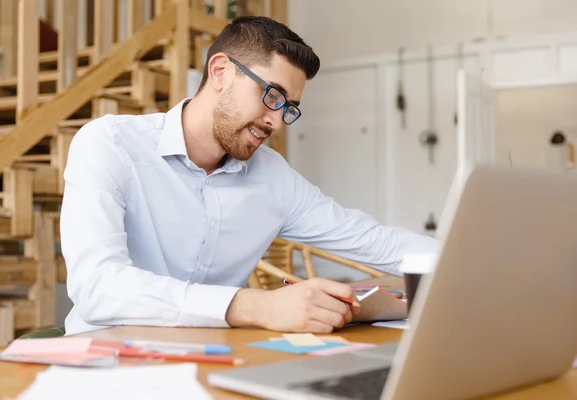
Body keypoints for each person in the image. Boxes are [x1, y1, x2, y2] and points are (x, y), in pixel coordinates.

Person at [60, 16, 437, 335]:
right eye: (272, 95)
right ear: (220, 72)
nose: (277, 120)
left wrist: (474, 263)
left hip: (220, 361)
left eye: (289, 107)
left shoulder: (273, 177)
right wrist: (256, 306)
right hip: (107, 364)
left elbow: (375, 242)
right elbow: (98, 286)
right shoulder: (110, 144)